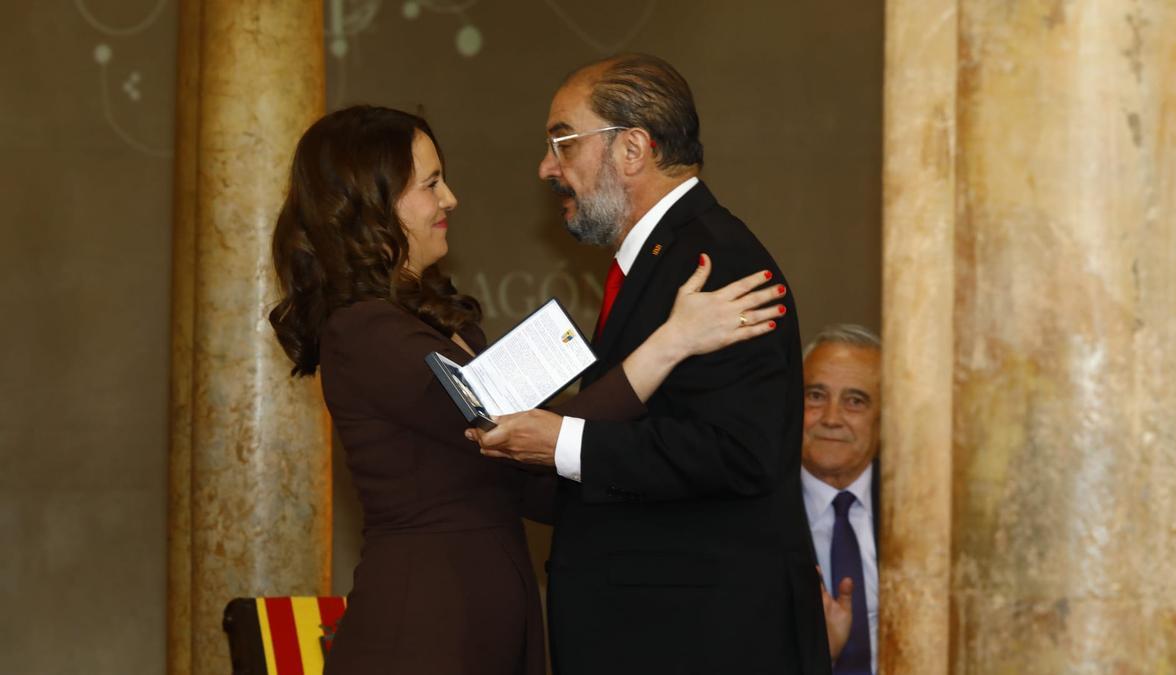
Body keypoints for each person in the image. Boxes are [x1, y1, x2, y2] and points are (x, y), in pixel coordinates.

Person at [267, 105, 788, 675]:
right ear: (372, 207)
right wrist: (673, 342)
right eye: (431, 184)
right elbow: (521, 439)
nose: (450, 200)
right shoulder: (364, 329)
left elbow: (529, 481)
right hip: (425, 623)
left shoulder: (437, 326)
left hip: (484, 612)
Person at [468, 55, 832, 675]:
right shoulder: (669, 257)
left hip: (700, 640)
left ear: (632, 148)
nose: (546, 167)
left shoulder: (718, 263)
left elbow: (737, 450)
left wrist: (564, 443)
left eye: (562, 141)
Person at [800, 324, 882, 675]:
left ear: (886, 418)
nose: (831, 419)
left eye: (855, 401)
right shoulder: (746, 513)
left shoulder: (927, 511)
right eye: (815, 396)